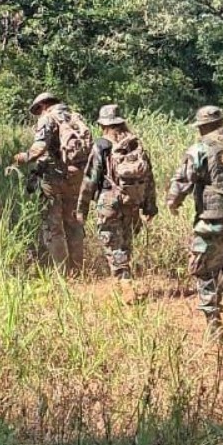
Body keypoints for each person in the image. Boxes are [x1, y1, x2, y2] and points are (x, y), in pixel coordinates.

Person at [166, 105, 223, 338]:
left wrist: (173, 202)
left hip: (211, 221)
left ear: (203, 126)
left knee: (205, 271)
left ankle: (214, 326)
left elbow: (182, 181)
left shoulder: (200, 148)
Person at [76, 104, 158, 303]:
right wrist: (150, 206)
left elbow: (90, 180)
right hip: (131, 202)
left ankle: (126, 285)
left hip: (108, 203)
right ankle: (124, 281)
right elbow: (149, 177)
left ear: (103, 125)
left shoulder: (101, 146)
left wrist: (82, 208)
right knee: (125, 243)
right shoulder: (135, 145)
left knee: (113, 246)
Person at [12, 92, 87, 273]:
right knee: (74, 222)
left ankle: (61, 272)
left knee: (52, 225)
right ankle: (78, 269)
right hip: (76, 175)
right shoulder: (75, 117)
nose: (39, 113)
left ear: (44, 104)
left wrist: (21, 158)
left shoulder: (48, 118)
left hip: (53, 177)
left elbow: (39, 148)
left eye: (38, 109)